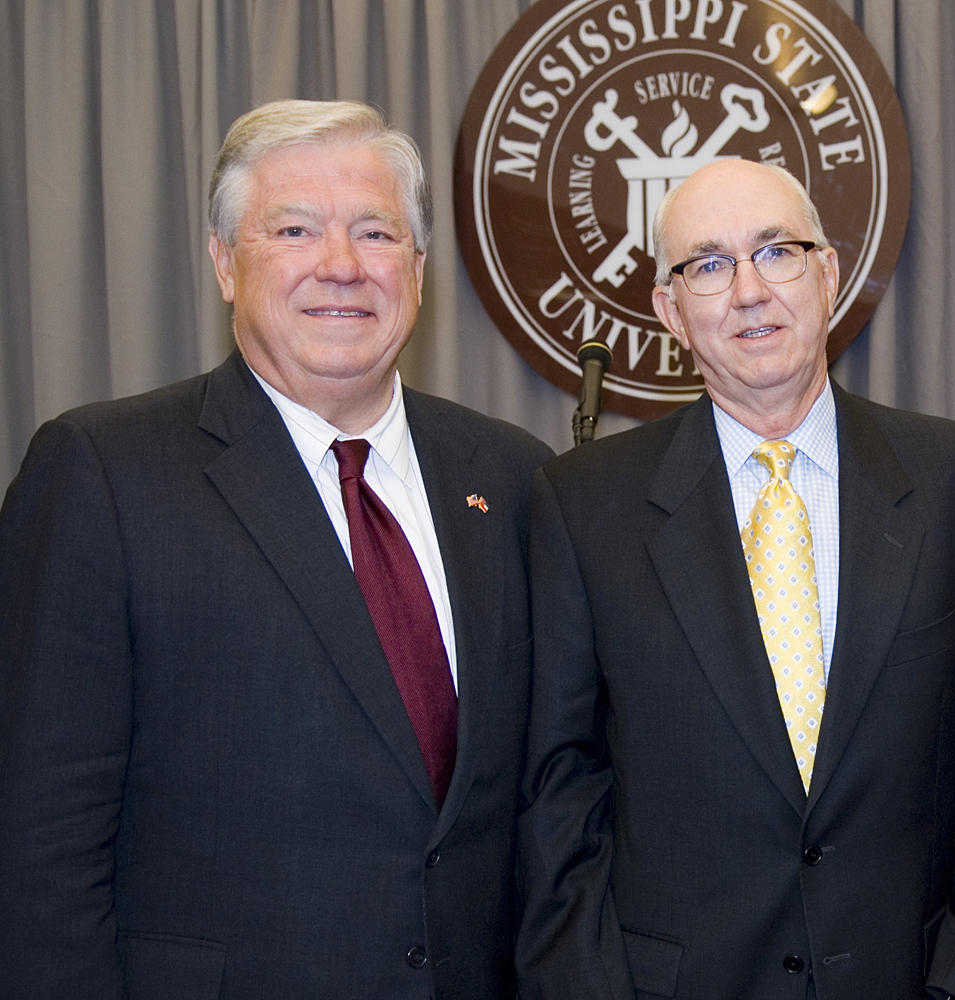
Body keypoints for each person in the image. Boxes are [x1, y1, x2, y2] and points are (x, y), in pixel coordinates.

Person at [0, 100, 552, 998]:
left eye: (376, 232)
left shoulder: (516, 478)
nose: (341, 265)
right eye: (293, 229)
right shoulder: (101, 473)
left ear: (416, 268)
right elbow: (40, 846)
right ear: (224, 263)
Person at [515, 159, 955, 1000]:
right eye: (710, 265)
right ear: (671, 310)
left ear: (828, 273)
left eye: (777, 252)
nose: (750, 291)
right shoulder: (583, 507)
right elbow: (558, 792)